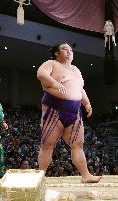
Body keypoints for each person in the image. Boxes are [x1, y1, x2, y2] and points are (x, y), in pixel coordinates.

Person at [37, 43, 101, 183]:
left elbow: (80, 88)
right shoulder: (51, 63)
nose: (69, 51)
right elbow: (41, 74)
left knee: (78, 145)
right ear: (56, 53)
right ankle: (40, 176)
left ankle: (86, 175)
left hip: (74, 112)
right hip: (54, 109)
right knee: (48, 145)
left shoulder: (76, 70)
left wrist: (87, 103)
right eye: (65, 49)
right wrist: (55, 84)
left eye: (70, 50)